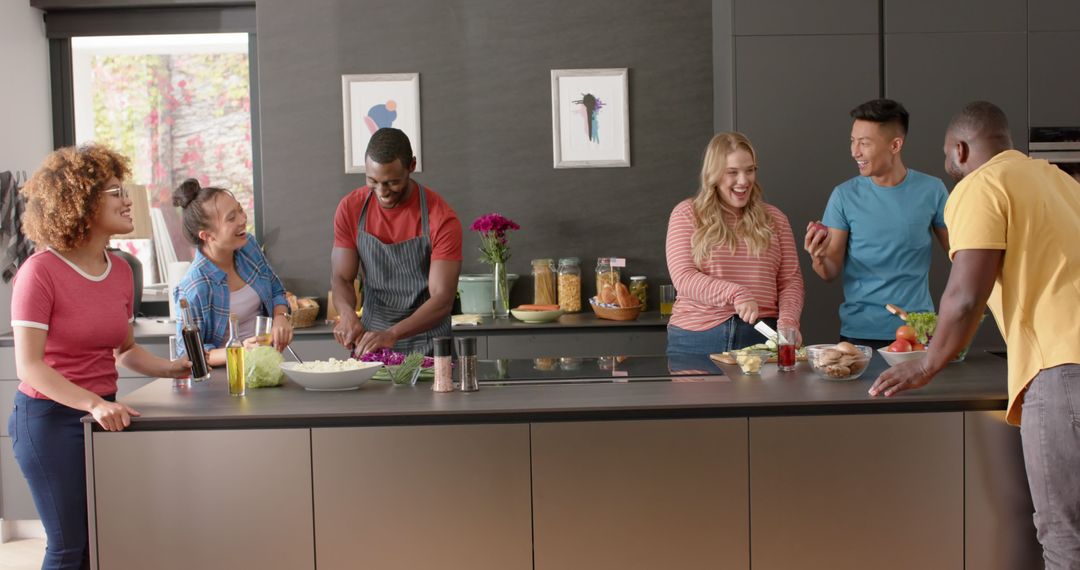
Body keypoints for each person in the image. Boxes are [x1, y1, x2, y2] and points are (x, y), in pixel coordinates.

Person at [871, 101, 1080, 568]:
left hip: (1064, 369)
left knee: (1067, 538)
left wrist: (927, 363)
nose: (950, 170)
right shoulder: (1061, 182)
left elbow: (966, 295)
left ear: (961, 150)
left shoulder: (979, 186)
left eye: (948, 160)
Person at [9, 144, 191, 569]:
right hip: (48, 420)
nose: (128, 200)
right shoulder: (39, 272)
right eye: (115, 191)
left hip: (104, 418)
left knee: (103, 544)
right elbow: (30, 366)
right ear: (81, 201)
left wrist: (171, 368)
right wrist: (93, 402)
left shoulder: (122, 270)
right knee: (69, 548)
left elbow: (123, 351)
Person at [804, 99, 950, 349]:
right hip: (860, 335)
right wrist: (817, 257)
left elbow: (960, 255)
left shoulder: (932, 190)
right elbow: (829, 271)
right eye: (853, 141)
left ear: (895, 145)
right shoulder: (843, 196)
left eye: (864, 143)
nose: (855, 152)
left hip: (917, 333)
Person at [665, 132, 804, 355]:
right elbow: (684, 277)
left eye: (750, 170)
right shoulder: (687, 214)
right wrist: (737, 293)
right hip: (696, 338)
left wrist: (788, 323)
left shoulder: (776, 219)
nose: (744, 180)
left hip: (760, 335)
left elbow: (790, 281)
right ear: (714, 174)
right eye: (732, 172)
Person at [331, 128, 462, 356]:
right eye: (372, 180)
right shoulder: (350, 208)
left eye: (392, 182)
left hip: (429, 346)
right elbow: (341, 277)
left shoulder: (440, 218)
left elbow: (442, 299)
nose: (382, 192)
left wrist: (392, 334)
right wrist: (347, 313)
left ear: (411, 166)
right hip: (371, 344)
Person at [171, 179, 293, 365]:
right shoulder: (194, 286)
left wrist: (281, 317)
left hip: (264, 366)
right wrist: (240, 350)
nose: (243, 220)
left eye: (240, 210)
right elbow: (188, 354)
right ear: (207, 236)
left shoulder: (248, 247)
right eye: (231, 218)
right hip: (226, 378)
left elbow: (276, 289)